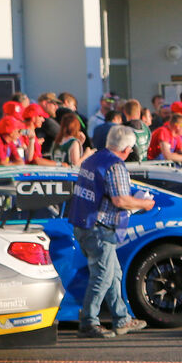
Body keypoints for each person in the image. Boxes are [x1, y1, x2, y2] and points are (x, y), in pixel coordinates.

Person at [67, 125, 154, 338]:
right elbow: (120, 200)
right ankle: (88, 322)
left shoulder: (92, 159)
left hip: (84, 224)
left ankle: (121, 319)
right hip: (100, 229)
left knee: (113, 274)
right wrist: (144, 204)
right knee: (103, 277)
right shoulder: (115, 166)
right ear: (126, 148)